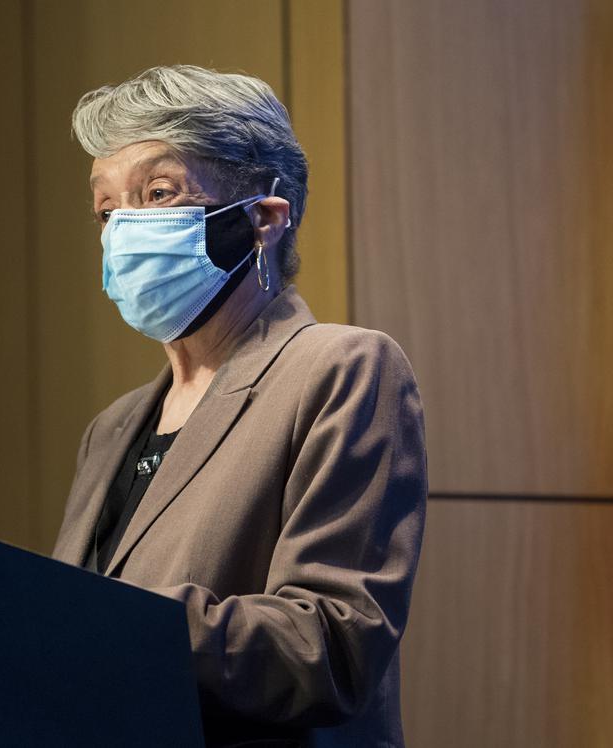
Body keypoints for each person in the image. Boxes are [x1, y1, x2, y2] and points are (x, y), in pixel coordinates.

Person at [50, 65, 427, 747]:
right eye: (107, 210)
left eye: (158, 193)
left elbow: (330, 645)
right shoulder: (111, 431)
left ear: (263, 220)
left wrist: (114, 623)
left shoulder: (340, 370)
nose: (122, 230)